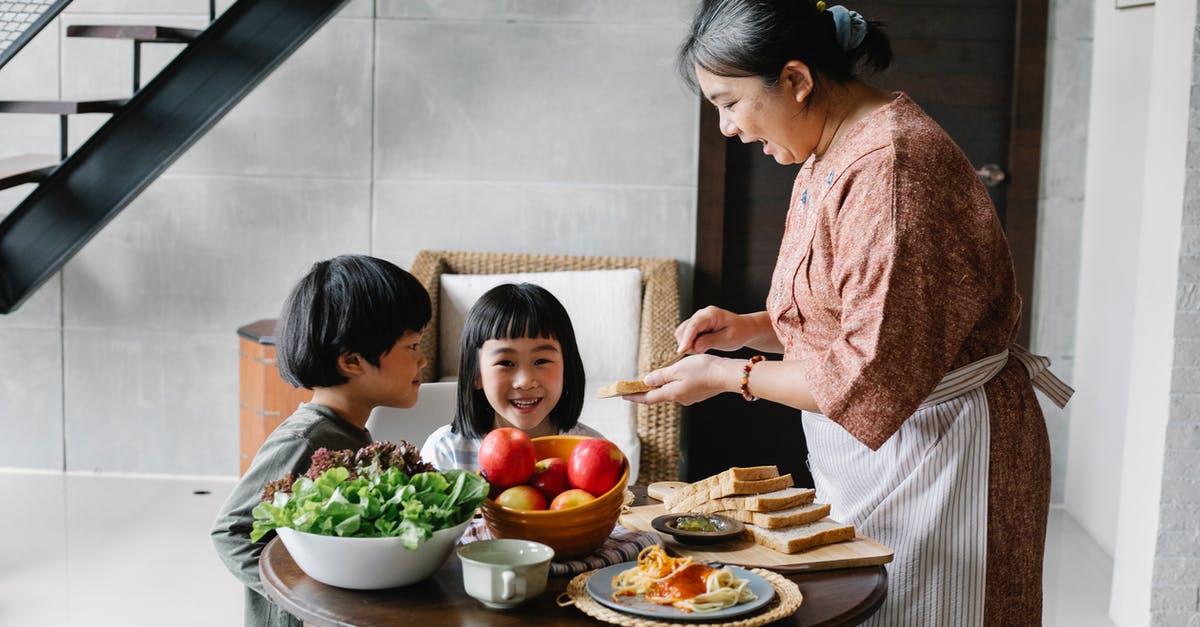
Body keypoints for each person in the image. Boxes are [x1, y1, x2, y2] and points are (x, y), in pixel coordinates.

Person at [626, 1, 1072, 625]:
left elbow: (868, 374)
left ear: (797, 81)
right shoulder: (829, 148)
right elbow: (855, 310)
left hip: (945, 457)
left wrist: (731, 375)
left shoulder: (891, 167)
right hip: (891, 450)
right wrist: (751, 328)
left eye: (729, 103)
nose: (726, 127)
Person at [210, 254, 431, 627]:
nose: (423, 360)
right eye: (412, 347)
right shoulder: (305, 441)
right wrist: (307, 595)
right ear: (353, 362)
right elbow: (232, 531)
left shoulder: (350, 430)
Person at [421, 282, 605, 471]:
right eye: (506, 363)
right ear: (476, 375)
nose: (525, 382)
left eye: (541, 361)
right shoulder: (445, 451)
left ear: (567, 369)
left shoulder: (589, 450)